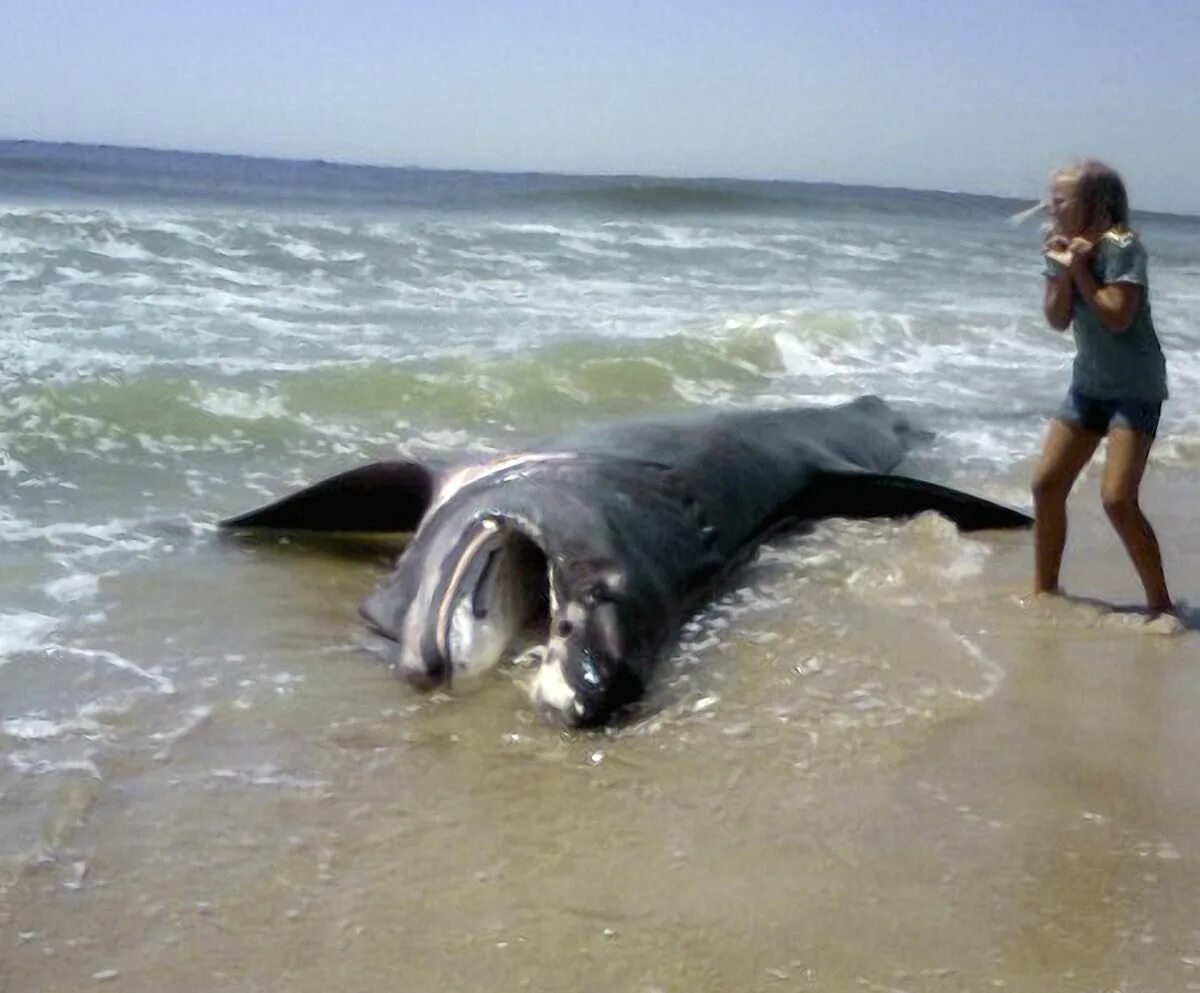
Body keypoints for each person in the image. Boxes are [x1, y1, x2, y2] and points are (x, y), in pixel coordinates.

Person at [1030, 159, 1173, 616]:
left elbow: (1116, 315)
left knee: (1116, 499)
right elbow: (1056, 320)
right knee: (1046, 486)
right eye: (1052, 195)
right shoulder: (1066, 247)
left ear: (1096, 203)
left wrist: (1081, 272)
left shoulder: (1122, 247)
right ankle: (1044, 592)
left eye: (1062, 197)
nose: (1051, 204)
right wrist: (1060, 269)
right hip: (1088, 385)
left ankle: (1161, 606)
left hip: (1136, 388)